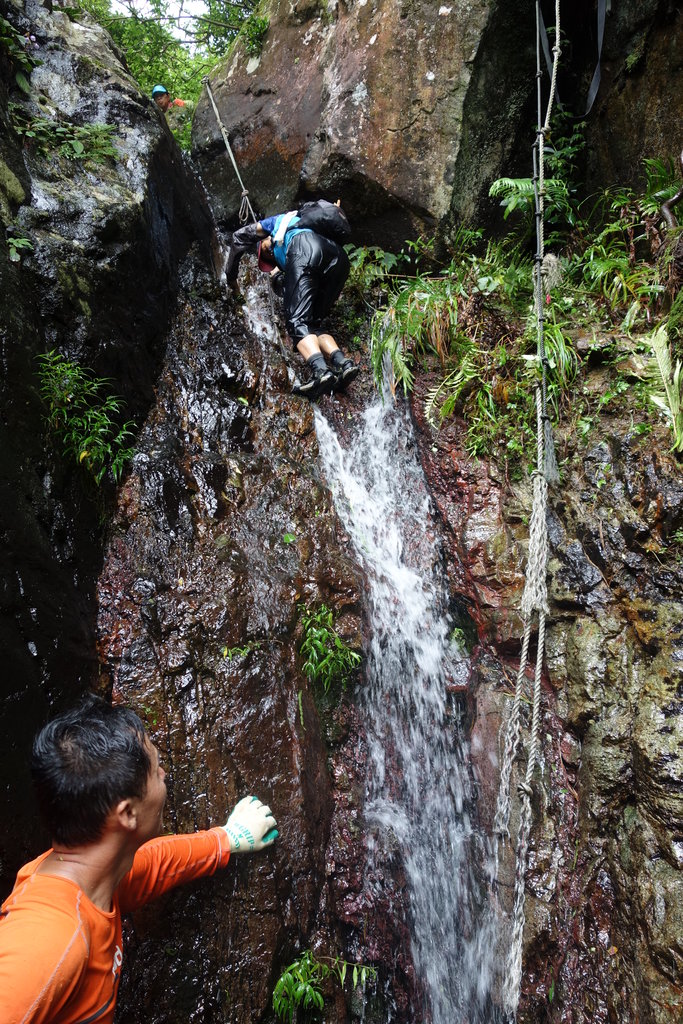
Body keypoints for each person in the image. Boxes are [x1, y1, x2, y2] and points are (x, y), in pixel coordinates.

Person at [0, 696, 277, 1024]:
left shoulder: (91, 878)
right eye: (156, 770)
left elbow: (153, 865)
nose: (164, 773)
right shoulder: (50, 939)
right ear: (127, 813)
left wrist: (227, 839)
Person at [225, 204, 360, 399]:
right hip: (339, 260)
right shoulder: (302, 221)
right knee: (313, 324)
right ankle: (343, 363)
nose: (271, 259)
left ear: (265, 242)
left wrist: (231, 278)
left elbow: (239, 236)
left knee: (297, 321)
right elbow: (290, 287)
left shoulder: (275, 224)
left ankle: (321, 371)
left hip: (306, 248)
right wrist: (276, 275)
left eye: (266, 256)